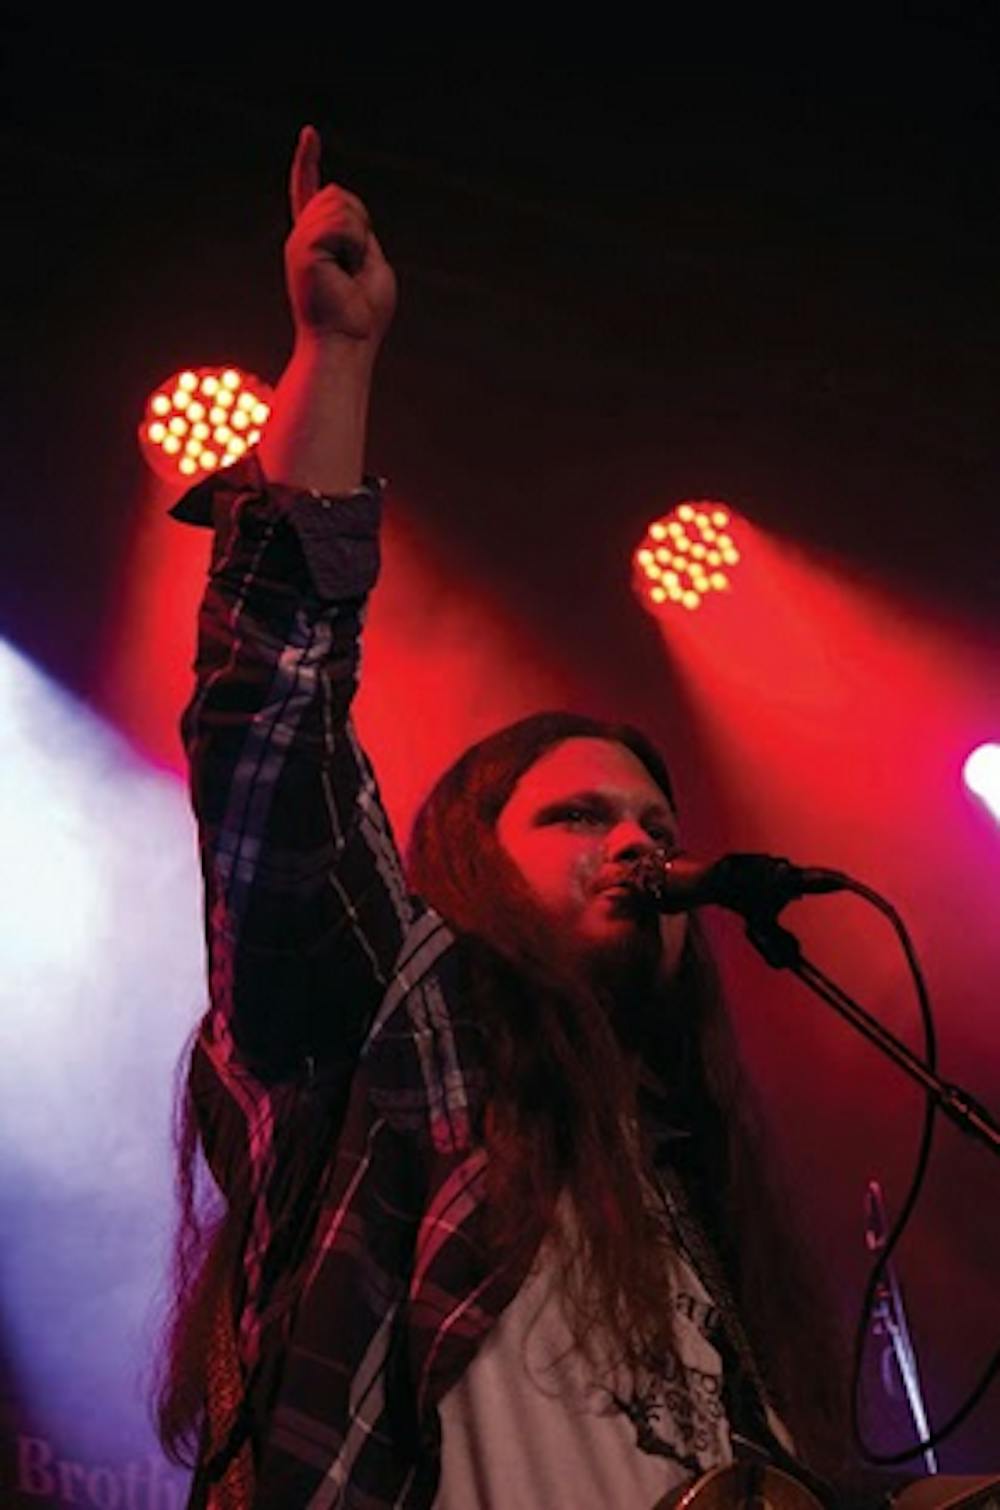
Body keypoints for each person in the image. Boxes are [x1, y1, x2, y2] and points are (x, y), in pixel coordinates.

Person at [156, 126, 846, 1508]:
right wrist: (335, 360)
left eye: (654, 814)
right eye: (578, 815)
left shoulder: (683, 1191)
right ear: (469, 866)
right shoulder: (402, 1030)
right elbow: (271, 741)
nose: (641, 840)